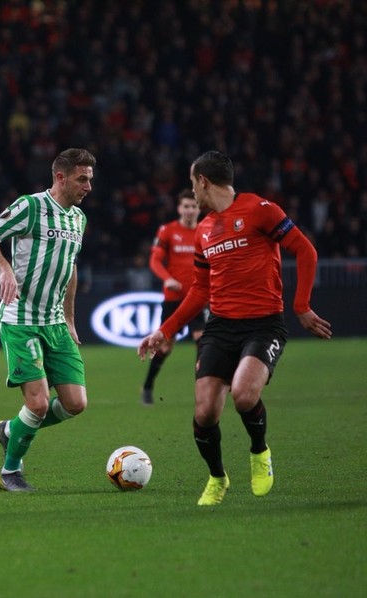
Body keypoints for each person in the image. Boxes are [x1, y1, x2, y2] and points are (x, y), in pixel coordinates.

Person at [137, 151, 332, 506]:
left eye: (192, 183)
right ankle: (217, 477)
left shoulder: (260, 209)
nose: (192, 192)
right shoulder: (204, 230)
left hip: (264, 325)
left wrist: (301, 306)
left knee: (243, 394)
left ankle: (259, 452)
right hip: (221, 326)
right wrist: (164, 331)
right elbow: (201, 290)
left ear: (203, 181)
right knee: (204, 412)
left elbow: (306, 251)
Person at [0, 148, 95, 492]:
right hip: (21, 319)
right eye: (82, 179)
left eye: (90, 180)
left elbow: (69, 268)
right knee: (38, 403)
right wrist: (4, 269)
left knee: (75, 404)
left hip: (55, 323)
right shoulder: (30, 207)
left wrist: (69, 318)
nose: (88, 187)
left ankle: (10, 430)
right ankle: (10, 472)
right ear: (60, 177)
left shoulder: (78, 219)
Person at [140, 189, 206, 405]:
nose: (189, 210)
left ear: (199, 208)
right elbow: (155, 261)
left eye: (193, 206)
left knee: (202, 341)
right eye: (186, 206)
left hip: (198, 297)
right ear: (179, 208)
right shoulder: (167, 231)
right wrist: (167, 279)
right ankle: (148, 386)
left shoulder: (206, 230)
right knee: (166, 347)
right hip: (174, 298)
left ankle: (202, 390)